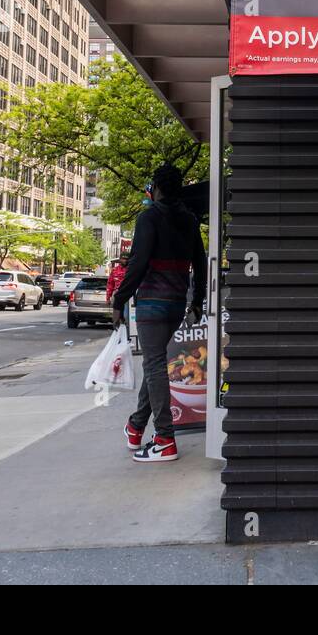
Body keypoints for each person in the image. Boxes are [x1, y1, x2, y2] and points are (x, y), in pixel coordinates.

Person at [112, 163, 206, 463]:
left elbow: (137, 263)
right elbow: (201, 265)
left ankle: (165, 439)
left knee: (153, 366)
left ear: (158, 188)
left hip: (152, 301)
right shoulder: (190, 220)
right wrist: (197, 302)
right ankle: (136, 426)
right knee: (155, 364)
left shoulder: (149, 217)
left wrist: (119, 300)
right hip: (177, 303)